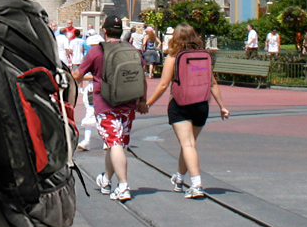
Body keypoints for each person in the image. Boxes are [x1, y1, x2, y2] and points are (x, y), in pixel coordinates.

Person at [146, 24, 229, 199]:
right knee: (189, 144)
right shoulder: (203, 56)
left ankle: (196, 184)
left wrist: (148, 103)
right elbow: (213, 83)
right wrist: (222, 106)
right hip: (201, 104)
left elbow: (163, 85)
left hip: (181, 104)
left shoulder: (174, 56)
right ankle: (179, 178)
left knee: (188, 145)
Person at [73, 14, 147, 202]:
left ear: (104, 31)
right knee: (116, 145)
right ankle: (106, 180)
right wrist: (142, 101)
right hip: (128, 104)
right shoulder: (133, 50)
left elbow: (77, 75)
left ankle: (123, 186)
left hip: (106, 105)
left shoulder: (96, 52)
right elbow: (142, 78)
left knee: (114, 144)